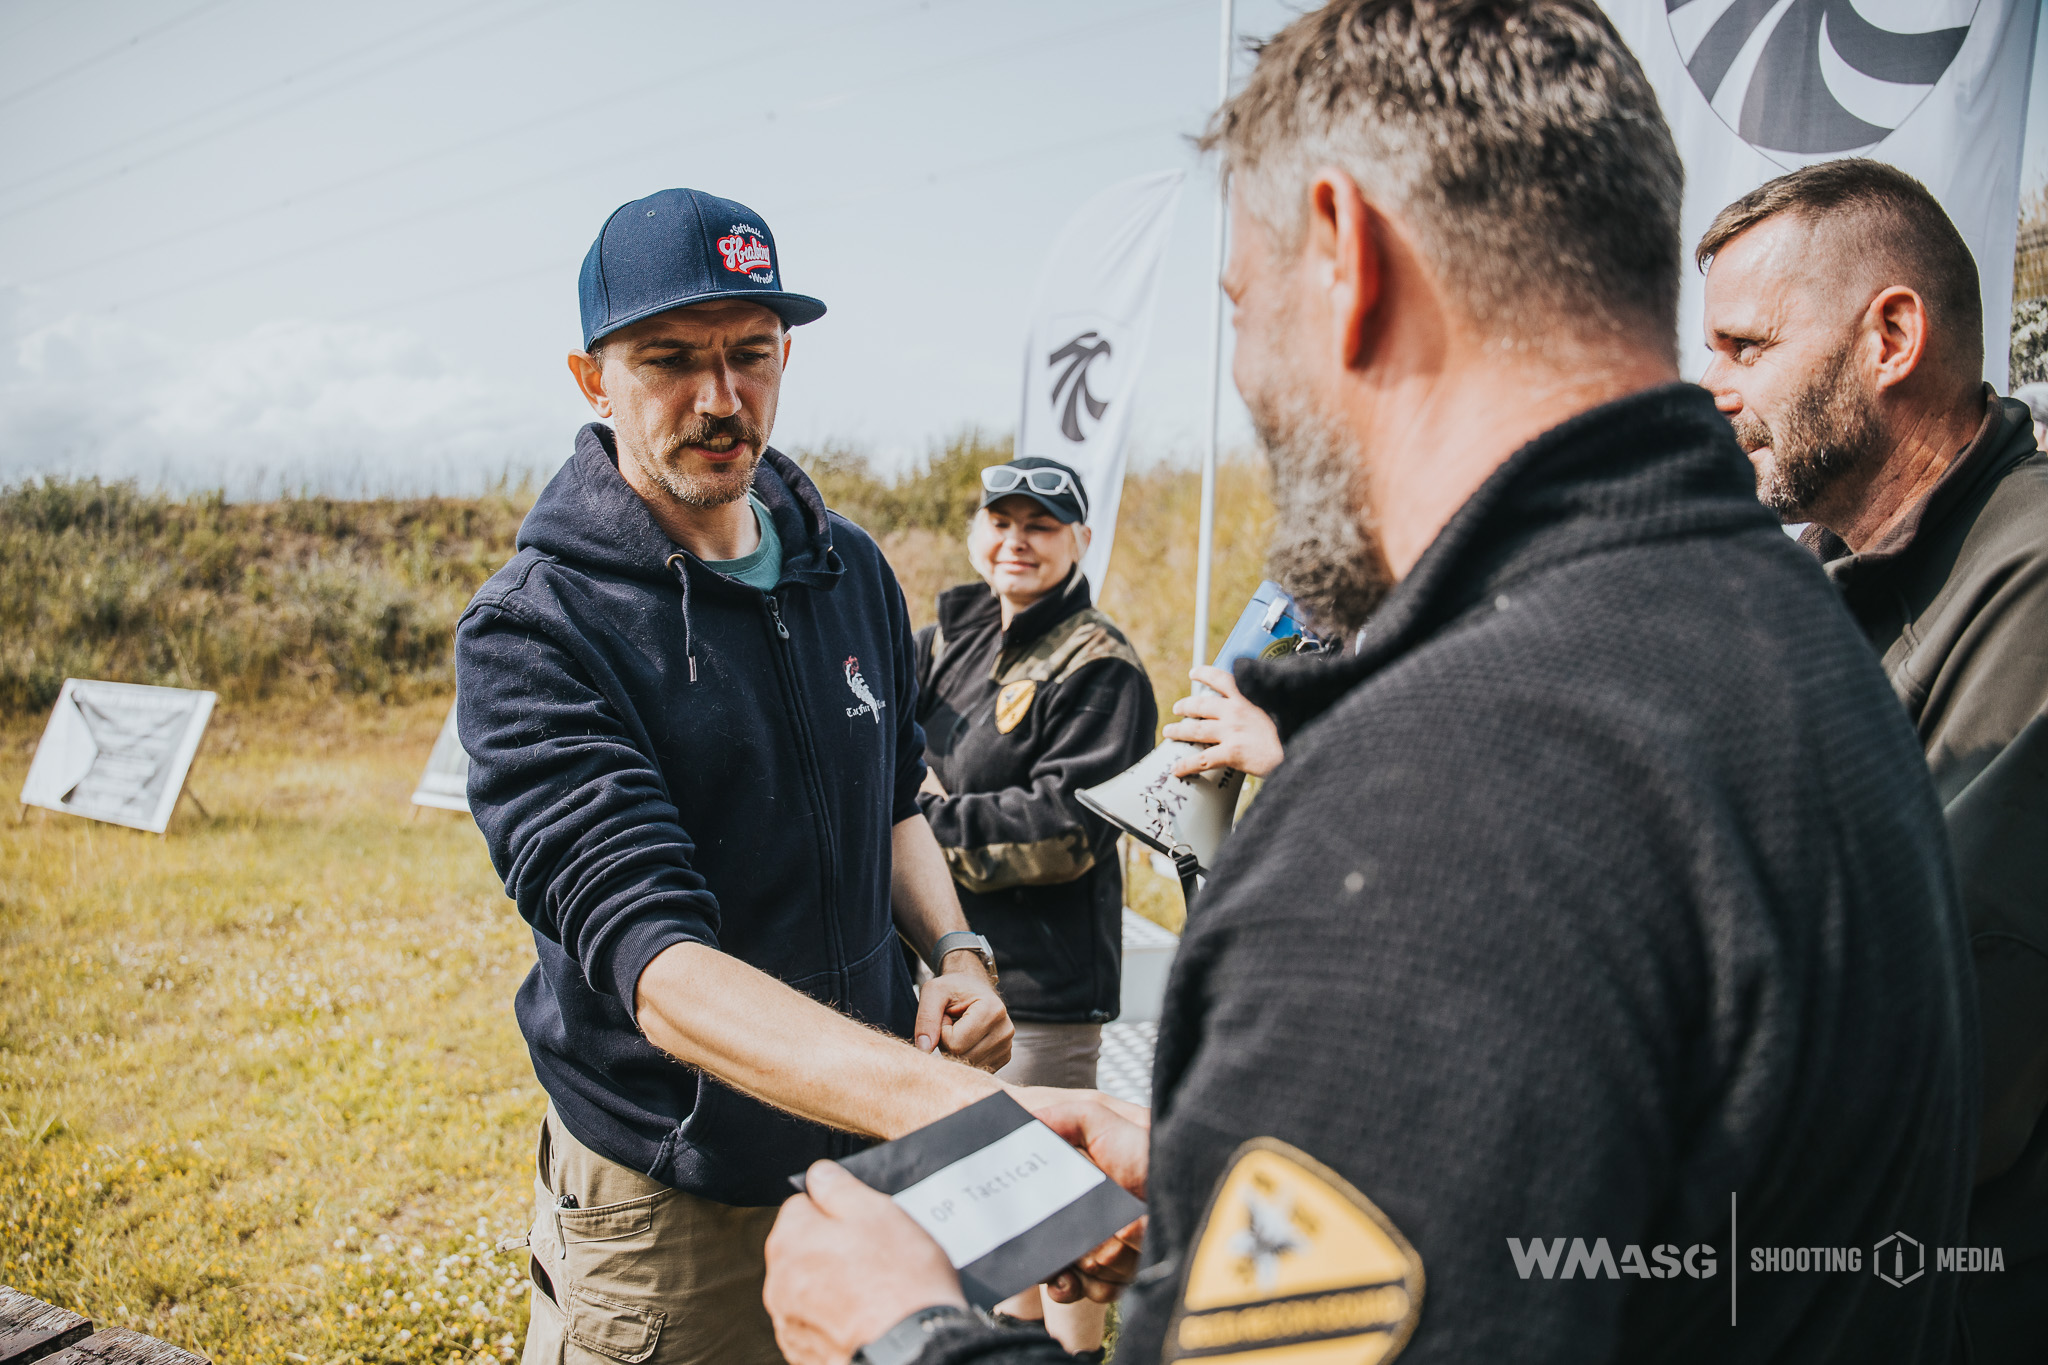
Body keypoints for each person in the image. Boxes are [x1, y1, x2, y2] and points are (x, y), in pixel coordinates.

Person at [760, 3, 1979, 1363]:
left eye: (1240, 306)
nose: (1247, 380)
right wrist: (1242, 1162)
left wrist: (906, 1332)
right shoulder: (1796, 635)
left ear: (1345, 254)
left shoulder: (1432, 804)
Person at [455, 187, 1023, 1365]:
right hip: (677, 1201)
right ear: (589, 376)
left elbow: (894, 792)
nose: (720, 400)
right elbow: (656, 968)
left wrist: (956, 953)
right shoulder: (536, 631)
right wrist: (943, 1109)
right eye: (668, 359)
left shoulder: (847, 567)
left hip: (871, 1159)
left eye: (749, 355)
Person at [1696, 159, 2048, 1364]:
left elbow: (1946, 1042)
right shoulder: (1833, 590)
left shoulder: (2034, 577)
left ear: (1890, 335)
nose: (1712, 386)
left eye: (1745, 346)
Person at [912, 455, 1157, 1359]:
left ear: (1080, 541)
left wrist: (925, 821)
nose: (1016, 541)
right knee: (984, 1195)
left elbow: (1066, 831)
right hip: (946, 968)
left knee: (1053, 1218)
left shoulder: (1103, 665)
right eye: (1002, 521)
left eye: (1041, 525)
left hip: (1040, 987)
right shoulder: (946, 636)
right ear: (978, 532)